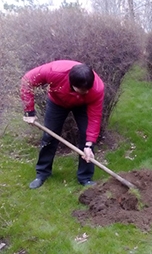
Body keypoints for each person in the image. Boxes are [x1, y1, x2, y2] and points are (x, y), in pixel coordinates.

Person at [20, 60, 105, 189]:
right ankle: (42, 173)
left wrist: (89, 143)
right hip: (57, 102)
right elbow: (27, 80)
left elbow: (95, 118)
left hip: (83, 105)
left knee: (86, 137)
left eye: (87, 90)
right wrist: (29, 111)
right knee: (49, 136)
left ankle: (85, 177)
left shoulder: (96, 89)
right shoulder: (55, 72)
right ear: (72, 84)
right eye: (82, 90)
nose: (86, 92)